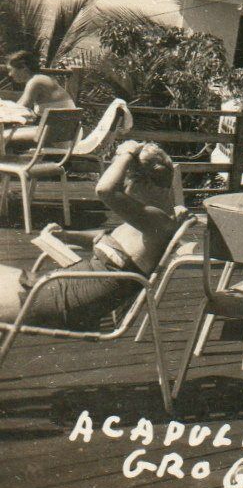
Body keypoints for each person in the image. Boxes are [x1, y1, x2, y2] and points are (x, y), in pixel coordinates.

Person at [0, 141, 177, 329]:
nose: (123, 187)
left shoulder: (157, 220)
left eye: (125, 180)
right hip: (61, 287)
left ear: (144, 182)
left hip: (66, 301)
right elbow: (110, 238)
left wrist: (129, 152)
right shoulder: (149, 217)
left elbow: (104, 190)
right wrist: (67, 236)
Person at [2, 50, 76, 150]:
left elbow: (20, 109)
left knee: (2, 136)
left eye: (11, 70)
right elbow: (21, 107)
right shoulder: (41, 79)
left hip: (55, 138)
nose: (10, 74)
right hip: (62, 136)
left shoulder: (36, 81)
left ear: (24, 67)